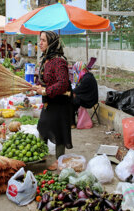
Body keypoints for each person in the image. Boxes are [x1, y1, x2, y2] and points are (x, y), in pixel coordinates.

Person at [31, 31, 72, 171]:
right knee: (43, 127)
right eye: (40, 40)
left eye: (43, 40)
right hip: (49, 102)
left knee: (59, 132)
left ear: (52, 43)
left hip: (60, 103)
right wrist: (37, 87)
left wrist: (46, 91)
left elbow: (63, 84)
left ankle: (59, 160)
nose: (40, 43)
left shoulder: (59, 61)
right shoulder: (46, 59)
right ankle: (41, 155)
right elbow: (44, 78)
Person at [71, 61, 98, 127]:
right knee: (72, 99)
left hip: (90, 100)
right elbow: (80, 89)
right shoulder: (87, 76)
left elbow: (78, 89)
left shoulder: (87, 78)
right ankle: (71, 122)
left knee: (70, 101)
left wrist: (71, 92)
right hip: (88, 97)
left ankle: (71, 123)